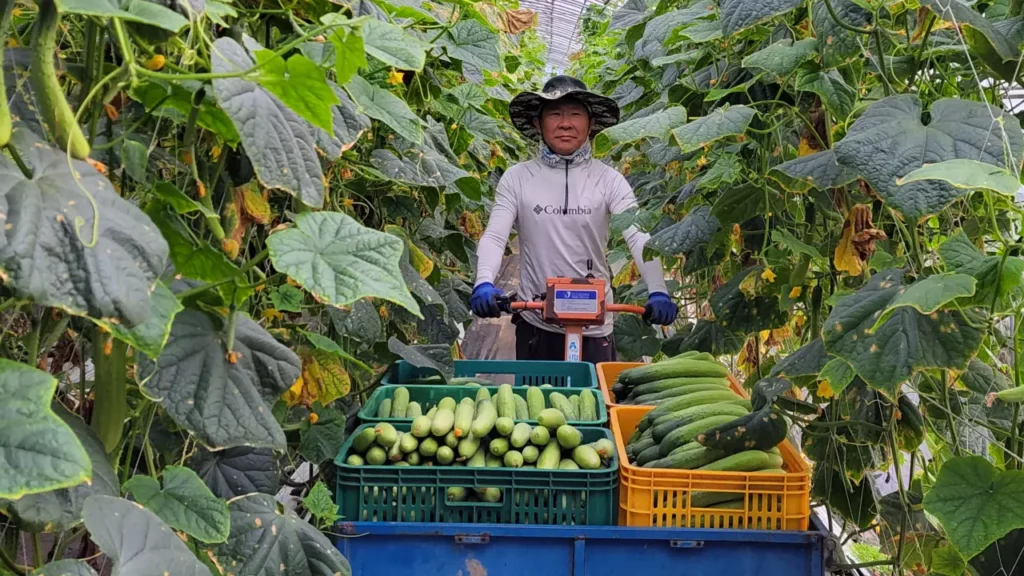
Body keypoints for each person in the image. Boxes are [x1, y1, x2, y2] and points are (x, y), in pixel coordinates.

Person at [469, 75, 678, 363]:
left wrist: (658, 290)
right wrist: (483, 282)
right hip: (536, 317)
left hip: (595, 321)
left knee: (593, 403)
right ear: (537, 123)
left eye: (575, 114)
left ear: (590, 125)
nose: (565, 123)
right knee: (536, 402)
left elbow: (637, 234)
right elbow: (495, 235)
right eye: (554, 114)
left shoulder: (609, 180)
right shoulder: (518, 178)